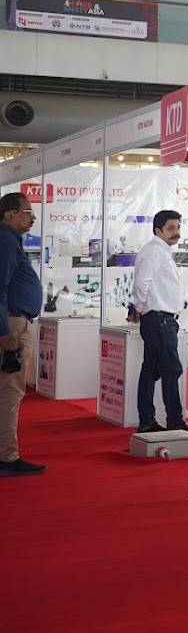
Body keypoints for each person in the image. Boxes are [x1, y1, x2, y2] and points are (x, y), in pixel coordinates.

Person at [129, 209, 188, 435]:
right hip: (159, 321)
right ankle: (174, 421)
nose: (177, 232)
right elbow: (142, 284)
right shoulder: (154, 251)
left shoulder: (160, 251)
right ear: (158, 230)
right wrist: (138, 309)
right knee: (170, 371)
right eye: (171, 228)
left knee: (151, 372)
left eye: (178, 228)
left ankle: (148, 421)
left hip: (161, 320)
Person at [0, 192, 44, 476]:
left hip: (14, 321)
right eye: (27, 212)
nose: (32, 218)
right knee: (10, 391)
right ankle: (7, 457)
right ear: (9, 214)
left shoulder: (9, 241)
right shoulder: (6, 241)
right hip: (12, 323)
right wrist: (5, 331)